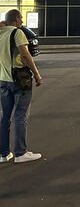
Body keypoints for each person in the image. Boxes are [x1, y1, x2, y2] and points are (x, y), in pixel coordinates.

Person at [0, 9, 43, 163]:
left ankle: (4, 154)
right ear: (16, 19)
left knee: (5, 116)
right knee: (20, 114)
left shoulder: (1, 32)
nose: (23, 22)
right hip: (19, 80)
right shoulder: (17, 33)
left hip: (3, 81)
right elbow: (25, 55)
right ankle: (20, 153)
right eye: (21, 19)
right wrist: (36, 74)